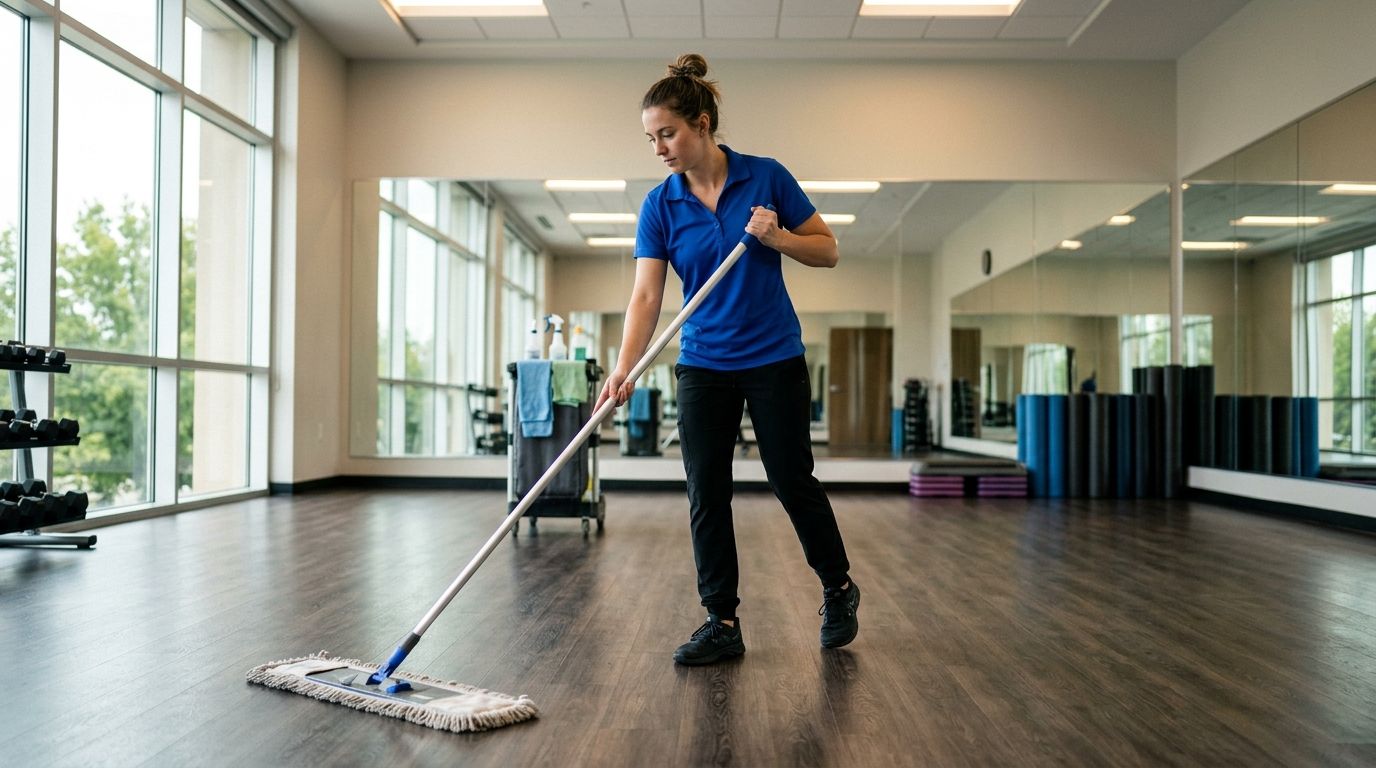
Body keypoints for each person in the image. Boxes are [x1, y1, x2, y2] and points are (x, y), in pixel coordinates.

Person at [594, 53, 860, 666]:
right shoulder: (660, 205)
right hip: (704, 362)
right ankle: (722, 619)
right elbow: (646, 296)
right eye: (651, 138)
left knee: (790, 478)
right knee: (706, 491)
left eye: (667, 133)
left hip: (773, 357)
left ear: (703, 123)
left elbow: (827, 251)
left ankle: (838, 587)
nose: (659, 148)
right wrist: (624, 366)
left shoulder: (766, 177)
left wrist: (777, 238)